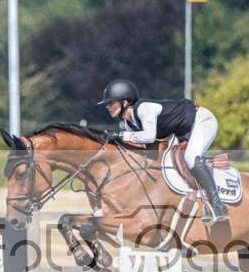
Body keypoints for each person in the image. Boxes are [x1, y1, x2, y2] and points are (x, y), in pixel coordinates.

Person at [98, 79, 229, 227]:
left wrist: (120, 135)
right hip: (183, 132)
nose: (107, 106)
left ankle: (219, 207)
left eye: (111, 102)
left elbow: (149, 136)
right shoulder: (129, 123)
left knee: (191, 157)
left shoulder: (144, 109)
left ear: (125, 102)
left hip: (202, 121)